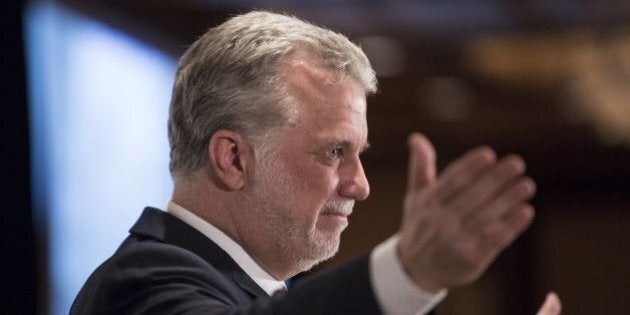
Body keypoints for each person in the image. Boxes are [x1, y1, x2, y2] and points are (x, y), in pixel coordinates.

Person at [71, 10, 561, 315]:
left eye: (359, 155)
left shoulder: (274, 291)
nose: (361, 186)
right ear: (234, 158)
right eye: (334, 152)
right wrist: (409, 270)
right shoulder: (141, 285)